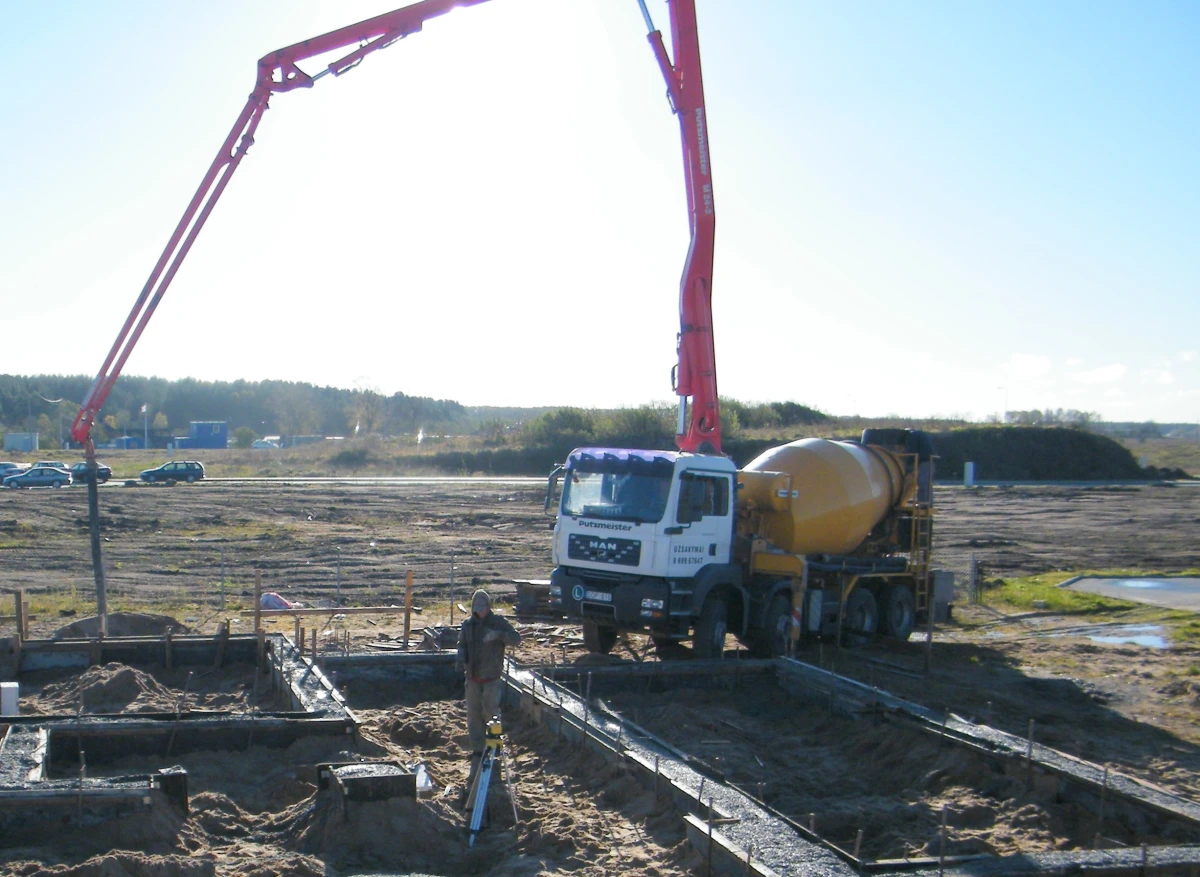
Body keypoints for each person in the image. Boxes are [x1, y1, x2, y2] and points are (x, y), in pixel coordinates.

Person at [456, 589, 520, 778]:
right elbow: (461, 643)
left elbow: (516, 639)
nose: (480, 612)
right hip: (473, 677)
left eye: (482, 608)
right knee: (474, 715)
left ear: (488, 607)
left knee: (491, 712)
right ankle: (478, 748)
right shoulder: (468, 625)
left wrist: (499, 636)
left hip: (491, 677)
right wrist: (460, 655)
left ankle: (494, 747)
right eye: (477, 609)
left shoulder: (498, 623)